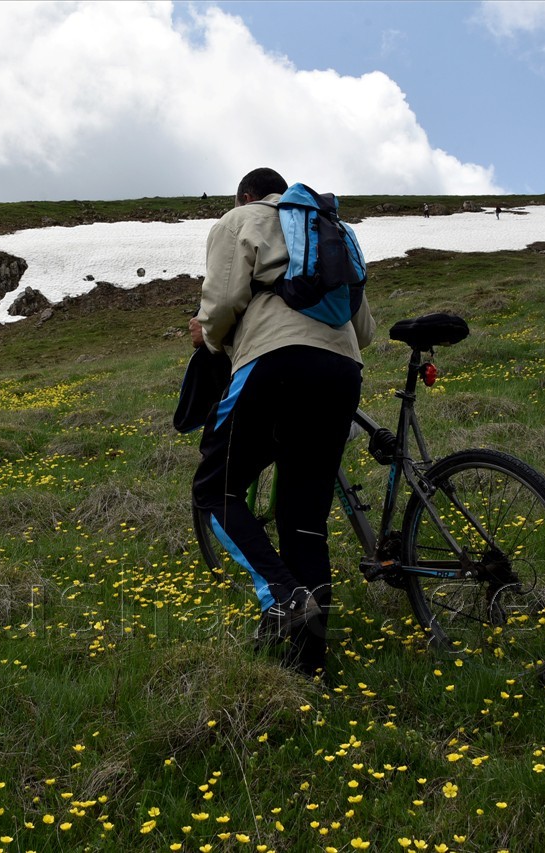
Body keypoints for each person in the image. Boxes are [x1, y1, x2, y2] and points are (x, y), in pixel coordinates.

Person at [188, 167, 376, 678]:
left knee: (215, 490)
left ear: (247, 194)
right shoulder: (334, 229)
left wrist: (207, 338)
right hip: (343, 368)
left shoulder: (239, 219)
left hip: (274, 361)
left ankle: (284, 596)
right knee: (303, 520)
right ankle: (306, 664)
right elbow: (365, 326)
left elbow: (224, 302)